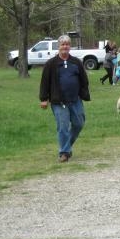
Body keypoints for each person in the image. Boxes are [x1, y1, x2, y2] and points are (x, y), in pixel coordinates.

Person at [39, 34, 90, 162]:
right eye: (62, 44)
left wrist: (83, 94)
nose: (65, 47)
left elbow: (84, 80)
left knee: (79, 123)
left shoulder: (76, 62)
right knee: (63, 127)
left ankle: (66, 147)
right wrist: (44, 99)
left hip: (75, 100)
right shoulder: (51, 64)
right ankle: (64, 153)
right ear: (58, 46)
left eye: (67, 44)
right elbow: (44, 82)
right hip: (58, 101)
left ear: (70, 46)